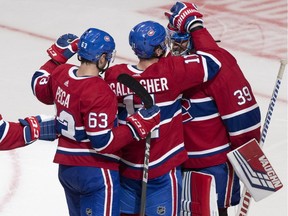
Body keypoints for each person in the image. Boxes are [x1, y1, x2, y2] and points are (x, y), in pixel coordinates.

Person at [31, 28, 160, 216]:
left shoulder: (61, 73)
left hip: (67, 170)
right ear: (101, 58)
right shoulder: (100, 91)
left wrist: (57, 57)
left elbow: (38, 86)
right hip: (95, 172)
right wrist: (138, 125)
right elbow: (102, 142)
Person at [104, 14, 223, 215]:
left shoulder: (114, 75)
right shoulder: (172, 70)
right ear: (159, 49)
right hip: (162, 170)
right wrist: (194, 23)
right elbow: (213, 62)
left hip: (128, 168)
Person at [165, 2, 261, 216]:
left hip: (183, 168)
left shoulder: (162, 66)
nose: (176, 47)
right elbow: (244, 122)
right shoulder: (216, 64)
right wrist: (250, 157)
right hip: (197, 167)